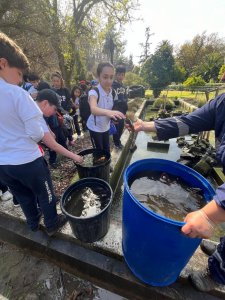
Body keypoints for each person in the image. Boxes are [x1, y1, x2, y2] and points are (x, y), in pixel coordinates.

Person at [130, 94, 225, 292]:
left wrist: (208, 216)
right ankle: (221, 249)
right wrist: (146, 126)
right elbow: (186, 122)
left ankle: (218, 273)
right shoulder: (222, 103)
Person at [0, 32, 82, 236]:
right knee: (46, 194)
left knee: (23, 196)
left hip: (3, 164)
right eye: (19, 74)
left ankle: (33, 223)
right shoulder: (18, 94)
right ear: (3, 64)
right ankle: (52, 224)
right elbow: (36, 134)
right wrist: (47, 136)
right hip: (27, 160)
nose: (20, 80)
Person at [87, 62, 125, 154]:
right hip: (95, 128)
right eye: (105, 77)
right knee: (99, 152)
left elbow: (113, 108)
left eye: (111, 77)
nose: (109, 81)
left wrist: (115, 117)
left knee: (107, 149)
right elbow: (93, 109)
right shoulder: (94, 92)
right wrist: (109, 112)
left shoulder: (112, 92)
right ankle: (99, 168)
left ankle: (107, 168)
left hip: (106, 127)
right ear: (98, 77)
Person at [51, 72, 75, 146]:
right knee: (61, 129)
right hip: (57, 114)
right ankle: (63, 143)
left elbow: (69, 101)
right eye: (54, 81)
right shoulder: (51, 91)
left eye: (57, 81)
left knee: (69, 127)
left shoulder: (65, 90)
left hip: (65, 112)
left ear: (61, 81)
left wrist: (67, 110)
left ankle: (71, 140)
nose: (56, 83)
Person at [112, 65, 128, 149]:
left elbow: (125, 97)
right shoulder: (112, 86)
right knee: (116, 128)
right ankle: (116, 143)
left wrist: (126, 109)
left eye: (122, 75)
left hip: (122, 111)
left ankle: (118, 141)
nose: (121, 76)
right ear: (116, 75)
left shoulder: (124, 87)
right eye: (119, 74)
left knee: (121, 127)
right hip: (115, 111)